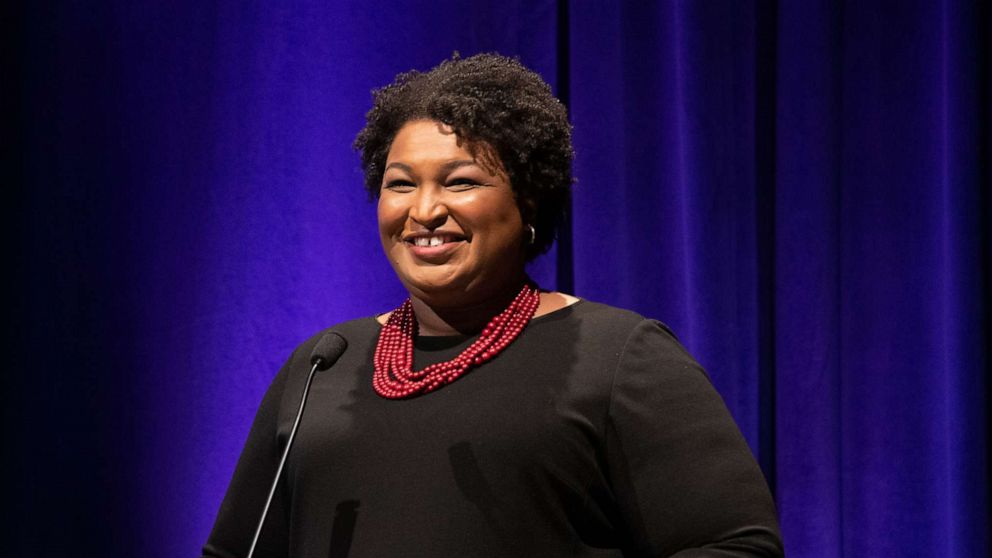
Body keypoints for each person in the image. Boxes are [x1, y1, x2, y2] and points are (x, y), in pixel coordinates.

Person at [202, 53, 783, 557]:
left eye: (460, 182)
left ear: (529, 201)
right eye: (400, 184)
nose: (423, 210)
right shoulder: (322, 366)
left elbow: (736, 545)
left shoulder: (620, 358)